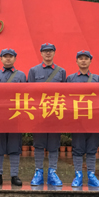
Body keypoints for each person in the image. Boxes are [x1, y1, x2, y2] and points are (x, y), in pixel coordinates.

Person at [27, 43, 66, 186]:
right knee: (39, 144)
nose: (48, 53)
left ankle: (52, 172)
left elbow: (65, 93)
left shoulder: (61, 71)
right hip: (39, 114)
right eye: (45, 51)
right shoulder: (33, 71)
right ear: (41, 53)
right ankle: (38, 171)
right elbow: (30, 92)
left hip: (55, 113)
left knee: (54, 144)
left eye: (50, 51)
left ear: (54, 53)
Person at [66, 50, 99, 188]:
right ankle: (78, 175)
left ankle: (91, 175)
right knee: (78, 148)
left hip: (93, 119)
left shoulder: (97, 79)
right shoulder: (70, 79)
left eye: (86, 58)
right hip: (77, 119)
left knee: (92, 149)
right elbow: (66, 98)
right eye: (80, 58)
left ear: (90, 61)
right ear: (76, 61)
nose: (83, 61)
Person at [0, 48, 26, 186]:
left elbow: (26, 94)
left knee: (14, 146)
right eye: (5, 56)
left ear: (15, 58)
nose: (8, 59)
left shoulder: (21, 75)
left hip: (15, 116)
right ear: (1, 59)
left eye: (10, 56)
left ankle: (14, 175)